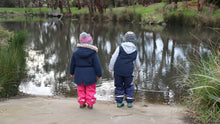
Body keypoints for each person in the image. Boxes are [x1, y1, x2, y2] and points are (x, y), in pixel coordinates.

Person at [70, 32, 102, 109]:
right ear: (90, 42)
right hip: (90, 75)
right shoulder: (93, 53)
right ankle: (90, 104)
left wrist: (72, 72)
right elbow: (97, 65)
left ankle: (82, 103)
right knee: (90, 89)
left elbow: (72, 63)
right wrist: (99, 74)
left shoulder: (76, 52)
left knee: (81, 89)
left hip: (78, 74)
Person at [109, 31, 140, 108]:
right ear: (134, 40)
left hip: (118, 71)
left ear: (125, 39)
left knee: (119, 86)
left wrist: (110, 69)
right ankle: (129, 103)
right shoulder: (135, 50)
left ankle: (119, 103)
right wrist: (137, 69)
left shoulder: (120, 47)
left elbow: (113, 58)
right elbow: (137, 62)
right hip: (129, 72)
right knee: (129, 86)